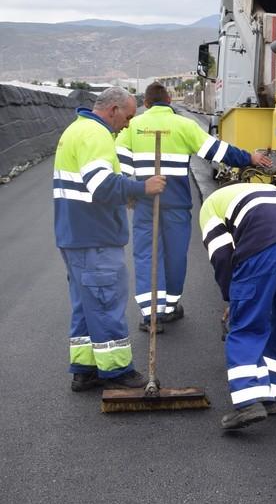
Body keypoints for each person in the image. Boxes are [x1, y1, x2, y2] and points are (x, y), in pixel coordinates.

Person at [116, 83, 271, 332]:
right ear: (169, 100)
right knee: (175, 255)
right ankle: (170, 307)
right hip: (176, 203)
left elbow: (120, 161)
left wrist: (129, 191)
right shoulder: (184, 126)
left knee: (147, 255)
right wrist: (249, 158)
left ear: (146, 103)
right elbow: (217, 151)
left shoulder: (133, 127)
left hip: (146, 203)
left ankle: (151, 315)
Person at [54, 86, 167, 392]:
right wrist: (142, 188)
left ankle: (85, 368)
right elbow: (102, 185)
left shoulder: (76, 130)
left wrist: (124, 194)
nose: (128, 123)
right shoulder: (97, 134)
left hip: (75, 235)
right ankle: (116, 369)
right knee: (105, 302)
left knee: (85, 304)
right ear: (113, 109)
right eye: (128, 116)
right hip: (96, 237)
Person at [198, 182, 276, 430]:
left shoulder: (210, 206)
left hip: (264, 246)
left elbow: (221, 255)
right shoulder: (270, 191)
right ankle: (274, 394)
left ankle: (247, 401)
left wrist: (232, 298)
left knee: (247, 324)